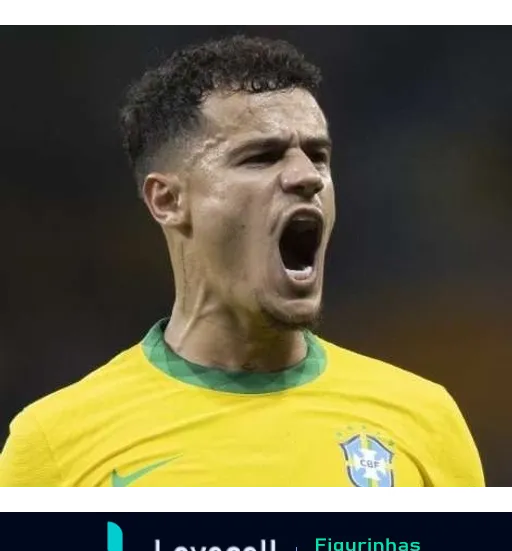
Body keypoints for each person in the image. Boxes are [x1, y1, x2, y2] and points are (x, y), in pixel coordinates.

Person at [0, 35, 484, 488]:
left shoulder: (423, 420)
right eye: (261, 157)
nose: (306, 176)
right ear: (167, 200)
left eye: (317, 155)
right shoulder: (57, 444)